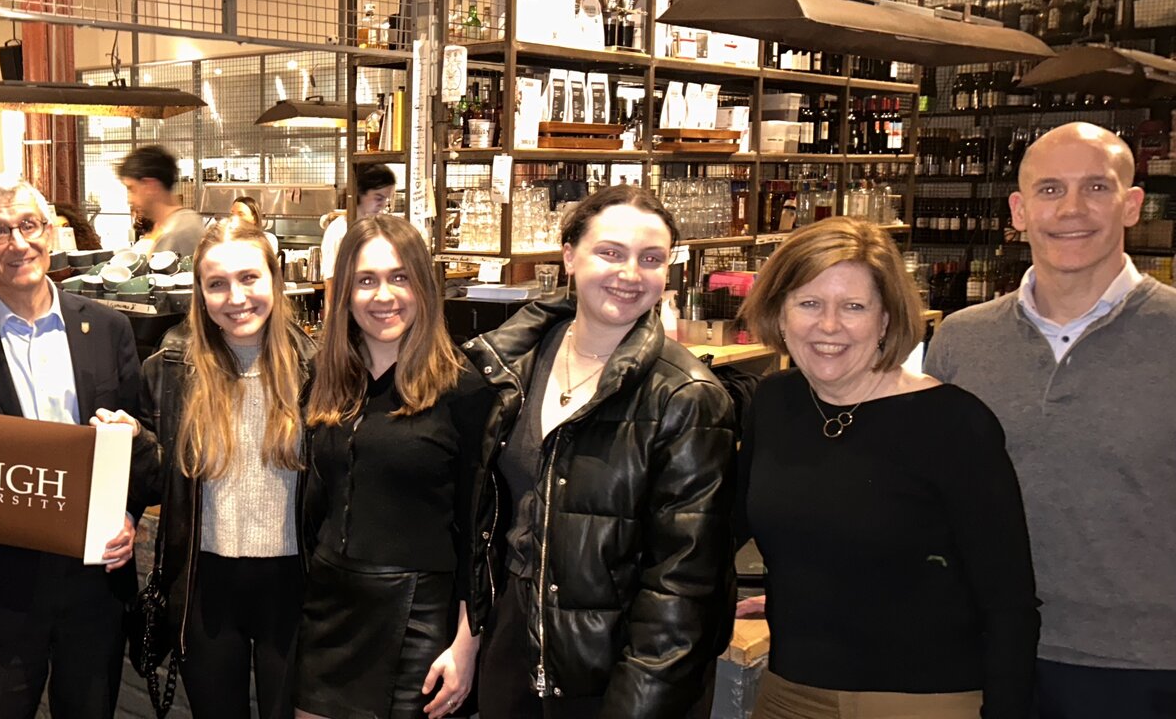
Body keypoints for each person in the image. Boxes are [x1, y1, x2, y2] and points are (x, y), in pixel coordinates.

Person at [737, 217, 1038, 719]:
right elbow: (728, 527)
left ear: (886, 319)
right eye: (809, 303)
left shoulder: (954, 423)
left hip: (923, 699)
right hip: (791, 691)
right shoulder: (774, 402)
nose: (828, 326)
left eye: (853, 307)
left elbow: (1010, 603)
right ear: (779, 313)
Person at [926, 121, 1176, 718]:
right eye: (1049, 190)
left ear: (1132, 205)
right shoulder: (963, 339)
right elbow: (926, 495)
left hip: (1140, 665)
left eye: (1096, 187)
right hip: (979, 649)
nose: (1071, 209)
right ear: (1018, 210)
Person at [461, 184, 735, 718]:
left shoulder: (687, 397)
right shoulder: (510, 365)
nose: (630, 274)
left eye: (651, 259)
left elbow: (682, 588)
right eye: (610, 252)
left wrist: (638, 703)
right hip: (512, 644)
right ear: (569, 256)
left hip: (613, 671)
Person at [0, 174, 160, 719]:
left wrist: (127, 515)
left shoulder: (110, 327)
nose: (17, 243)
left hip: (93, 582)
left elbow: (138, 441)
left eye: (28, 224)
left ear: (51, 232)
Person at [297, 213, 490, 719]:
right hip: (329, 604)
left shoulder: (463, 388)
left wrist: (466, 645)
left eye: (399, 277)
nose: (384, 295)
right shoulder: (328, 376)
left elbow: (480, 529)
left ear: (423, 285)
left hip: (419, 614)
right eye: (366, 280)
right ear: (345, 295)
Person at [141, 219, 315, 719]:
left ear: (275, 282)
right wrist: (130, 443)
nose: (235, 297)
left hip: (294, 583)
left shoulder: (319, 372)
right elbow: (154, 481)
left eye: (249, 278)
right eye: (217, 284)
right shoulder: (170, 370)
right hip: (204, 584)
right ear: (200, 293)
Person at [118, 145, 204, 256]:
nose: (130, 200)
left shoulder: (177, 234)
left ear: (150, 186)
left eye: (131, 189)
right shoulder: (168, 225)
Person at [319, 163, 396, 284]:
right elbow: (332, 283)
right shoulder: (339, 231)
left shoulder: (376, 227)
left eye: (386, 199)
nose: (382, 205)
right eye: (378, 198)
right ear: (360, 193)